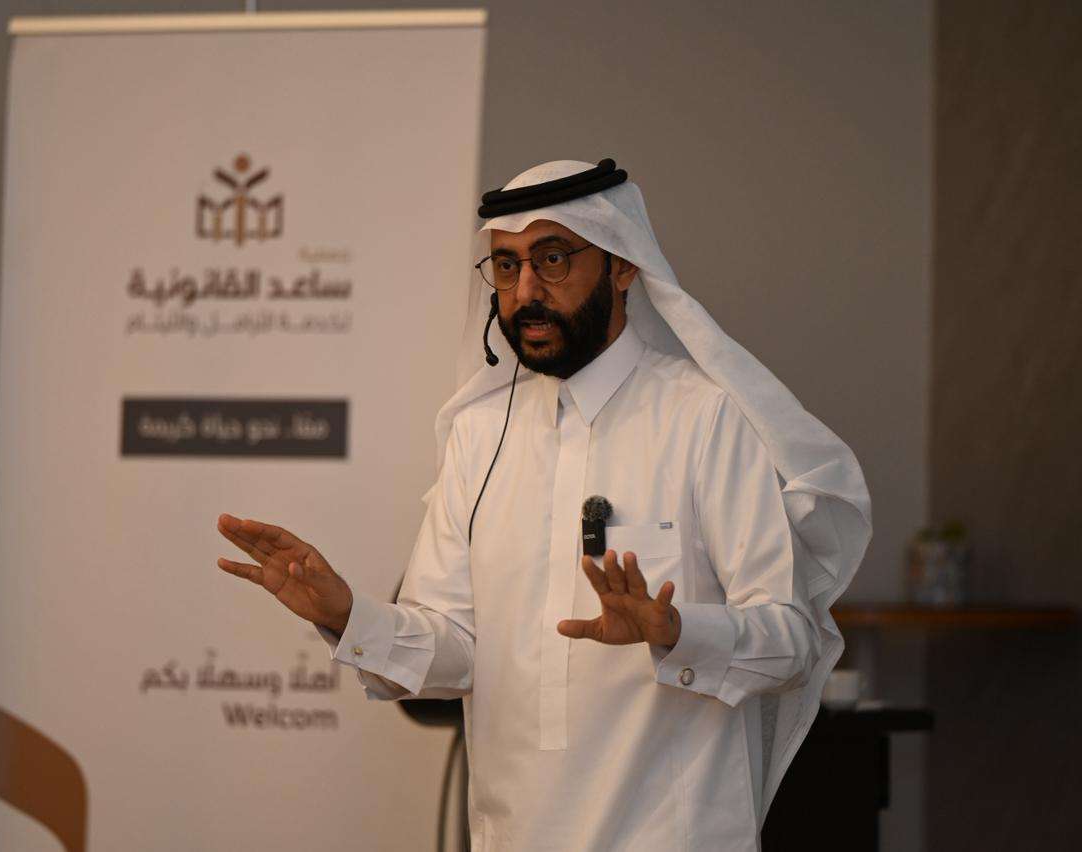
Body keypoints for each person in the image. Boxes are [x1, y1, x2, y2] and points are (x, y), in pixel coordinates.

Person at [216, 159, 870, 851]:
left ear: (622, 264)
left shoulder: (705, 419)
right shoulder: (478, 435)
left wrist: (677, 629)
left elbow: (793, 643)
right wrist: (346, 615)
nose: (526, 291)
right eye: (506, 266)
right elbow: (455, 650)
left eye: (553, 258)